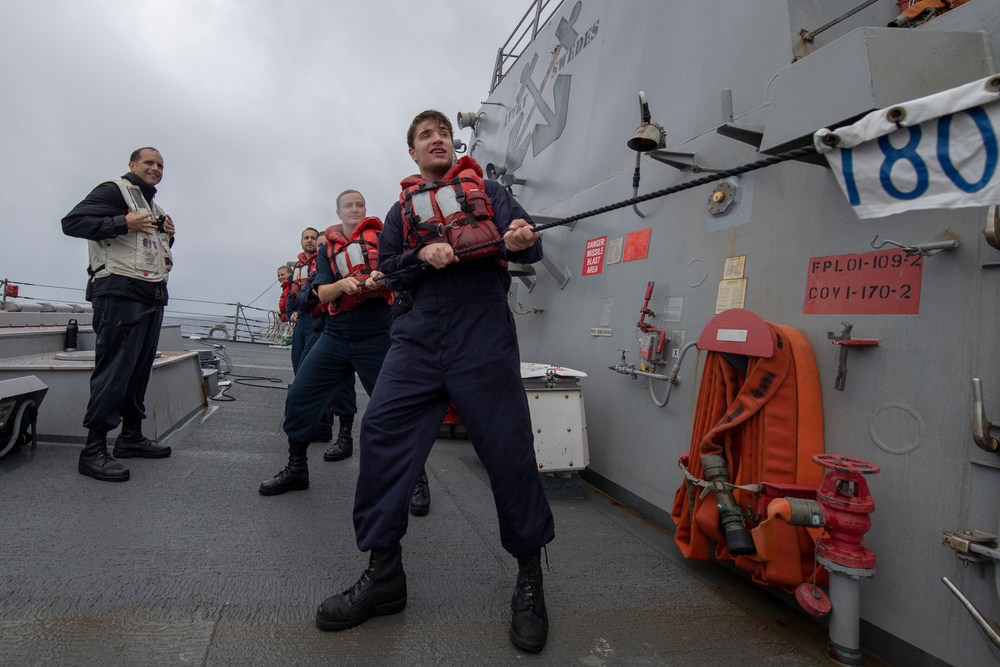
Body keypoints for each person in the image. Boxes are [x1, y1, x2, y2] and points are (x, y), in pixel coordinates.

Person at [315, 111, 555, 652]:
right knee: (380, 435)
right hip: (418, 337)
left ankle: (530, 579)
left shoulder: (491, 191)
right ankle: (384, 575)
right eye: (426, 135)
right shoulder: (401, 212)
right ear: (413, 153)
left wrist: (519, 240)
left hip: (482, 331)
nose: (437, 139)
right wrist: (422, 253)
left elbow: (528, 244)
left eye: (443, 133)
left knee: (510, 450)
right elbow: (392, 271)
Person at [259, 190, 391, 496]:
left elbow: (398, 272)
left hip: (377, 335)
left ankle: (416, 478)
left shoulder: (382, 239)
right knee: (300, 394)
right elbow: (320, 293)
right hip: (336, 334)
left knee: (395, 405)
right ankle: (296, 469)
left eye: (360, 204)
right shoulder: (326, 250)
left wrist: (382, 278)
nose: (355, 209)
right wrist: (342, 285)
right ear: (338, 212)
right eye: (349, 205)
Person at [61, 147, 175, 482]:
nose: (155, 168)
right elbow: (72, 223)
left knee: (139, 369)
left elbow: (153, 247)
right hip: (120, 290)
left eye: (160, 165)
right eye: (149, 163)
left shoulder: (153, 206)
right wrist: (121, 222)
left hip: (152, 292)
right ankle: (93, 448)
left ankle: (130, 436)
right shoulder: (114, 190)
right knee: (114, 369)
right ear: (132, 165)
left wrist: (170, 231)